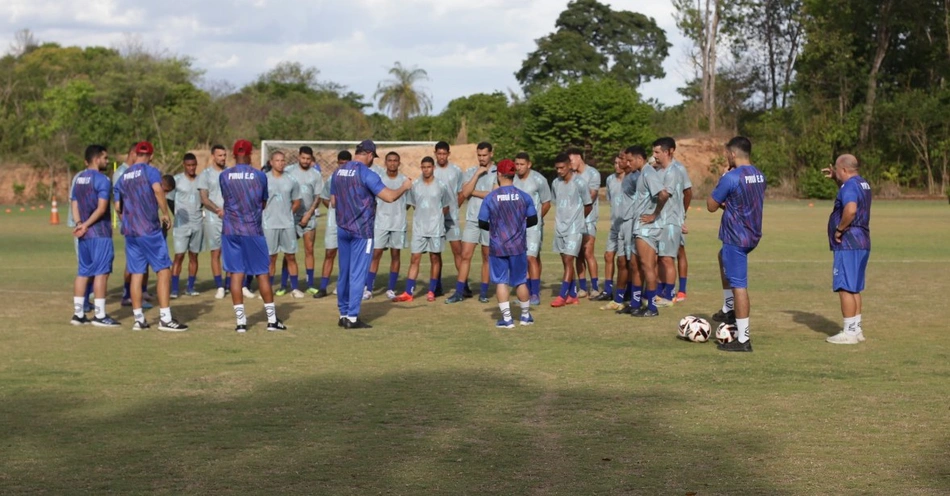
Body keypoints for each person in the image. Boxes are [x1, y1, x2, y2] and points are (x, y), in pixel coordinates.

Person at [331, 140, 411, 329]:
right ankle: (352, 317)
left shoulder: (338, 172)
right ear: (367, 154)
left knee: (344, 273)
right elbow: (389, 197)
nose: (372, 161)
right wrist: (405, 187)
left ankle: (343, 313)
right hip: (362, 231)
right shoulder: (367, 173)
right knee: (358, 274)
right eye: (372, 157)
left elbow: (333, 201)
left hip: (342, 228)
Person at [113, 141, 188, 331]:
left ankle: (139, 319)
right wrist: (165, 213)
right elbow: (157, 189)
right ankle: (165, 318)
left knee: (137, 273)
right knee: (163, 270)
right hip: (149, 230)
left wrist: (128, 221)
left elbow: (117, 207)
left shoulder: (123, 177)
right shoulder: (150, 171)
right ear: (151, 156)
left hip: (131, 232)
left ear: (135, 154)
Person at [707, 136, 766, 352]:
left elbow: (711, 205)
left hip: (736, 236)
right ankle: (728, 308)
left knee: (739, 284)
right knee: (722, 256)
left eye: (727, 154)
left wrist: (722, 177)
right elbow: (742, 204)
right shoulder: (760, 175)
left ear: (732, 154)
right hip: (752, 234)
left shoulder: (731, 177)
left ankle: (743, 340)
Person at [219, 140, 285, 332]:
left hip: (230, 231)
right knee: (262, 274)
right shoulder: (260, 176)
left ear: (233, 154)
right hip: (252, 230)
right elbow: (262, 203)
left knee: (236, 274)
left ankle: (241, 323)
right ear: (250, 155)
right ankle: (272, 321)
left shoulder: (224, 176)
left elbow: (227, 200)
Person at [478, 159, 538, 328]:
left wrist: (496, 228)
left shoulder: (490, 197)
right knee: (520, 281)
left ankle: (507, 319)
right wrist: (518, 227)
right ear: (513, 175)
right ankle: (525, 317)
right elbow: (533, 219)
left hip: (498, 246)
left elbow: (482, 223)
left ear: (498, 174)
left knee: (501, 282)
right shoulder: (524, 196)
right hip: (518, 246)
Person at [823, 154, 871, 344]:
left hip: (849, 242)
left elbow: (850, 209)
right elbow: (849, 196)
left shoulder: (850, 186)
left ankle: (849, 332)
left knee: (844, 287)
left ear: (843, 169)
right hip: (862, 242)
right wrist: (836, 179)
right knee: (854, 288)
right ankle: (856, 329)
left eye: (837, 169)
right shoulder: (861, 183)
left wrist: (839, 229)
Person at [70, 144, 120, 327]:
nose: (107, 161)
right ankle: (99, 316)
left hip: (83, 235)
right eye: (105, 158)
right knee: (101, 273)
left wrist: (79, 224)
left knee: (83, 272)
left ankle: (78, 314)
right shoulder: (103, 180)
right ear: (97, 158)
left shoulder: (79, 178)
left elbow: (74, 203)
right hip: (99, 234)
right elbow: (101, 209)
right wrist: (86, 225)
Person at [393, 156, 454, 302]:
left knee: (435, 257)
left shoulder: (441, 185)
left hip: (436, 229)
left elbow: (446, 206)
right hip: (419, 228)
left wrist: (436, 218)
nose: (426, 169)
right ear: (421, 168)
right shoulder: (414, 185)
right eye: (423, 167)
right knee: (415, 258)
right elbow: (414, 204)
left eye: (429, 167)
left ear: (433, 168)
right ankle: (408, 292)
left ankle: (431, 291)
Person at [446, 142, 496, 304]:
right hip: (472, 220)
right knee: (465, 255)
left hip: (490, 221)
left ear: (491, 154)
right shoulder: (470, 172)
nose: (481, 158)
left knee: (487, 257)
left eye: (484, 155)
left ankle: (483, 293)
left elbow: (493, 195)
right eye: (479, 155)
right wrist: (477, 175)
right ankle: (459, 292)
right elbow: (465, 193)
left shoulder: (498, 172)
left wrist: (473, 191)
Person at [630, 143, 676, 318]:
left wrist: (654, 214)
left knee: (648, 266)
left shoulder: (648, 172)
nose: (627, 163)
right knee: (639, 265)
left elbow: (663, 194)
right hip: (641, 226)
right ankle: (640, 304)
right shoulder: (643, 173)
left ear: (638, 159)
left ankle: (652, 307)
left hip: (647, 228)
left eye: (629, 160)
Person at [550, 153, 593, 307]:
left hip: (574, 228)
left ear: (569, 165)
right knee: (566, 263)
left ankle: (562, 296)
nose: (559, 171)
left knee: (569, 260)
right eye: (557, 168)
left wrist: (578, 220)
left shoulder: (580, 183)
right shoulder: (555, 183)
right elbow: (557, 202)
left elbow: (588, 205)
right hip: (560, 227)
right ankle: (573, 295)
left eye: (562, 167)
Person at [367, 151, 410, 300]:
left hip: (398, 224)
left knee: (395, 255)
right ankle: (369, 288)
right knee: (376, 254)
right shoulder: (379, 180)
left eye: (395, 161)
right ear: (385, 163)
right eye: (390, 160)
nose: (392, 163)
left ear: (399, 163)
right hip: (381, 223)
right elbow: (372, 202)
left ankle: (391, 289)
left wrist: (398, 214)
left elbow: (409, 203)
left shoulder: (405, 181)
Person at [512, 152, 552, 305]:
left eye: (522, 164)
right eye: (517, 164)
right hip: (516, 227)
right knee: (523, 259)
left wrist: (535, 219)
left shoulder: (539, 180)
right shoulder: (513, 179)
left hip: (533, 226)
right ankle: (526, 293)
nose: (519, 167)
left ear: (529, 164)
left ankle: (535, 294)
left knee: (531, 258)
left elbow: (546, 202)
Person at [115, 143, 152, 308]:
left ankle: (141, 291)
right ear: (133, 153)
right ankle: (126, 294)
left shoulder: (138, 171)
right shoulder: (122, 173)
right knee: (133, 262)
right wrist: (126, 222)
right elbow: (118, 204)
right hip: (132, 227)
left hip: (143, 226)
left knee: (143, 261)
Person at [264, 151, 305, 298]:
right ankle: (267, 288)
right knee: (271, 258)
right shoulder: (264, 179)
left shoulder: (291, 180)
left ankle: (294, 288)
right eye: (277, 160)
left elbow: (297, 201)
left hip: (287, 224)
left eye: (283, 161)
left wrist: (289, 212)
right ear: (271, 162)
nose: (280, 163)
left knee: (290, 256)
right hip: (269, 224)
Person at [612, 146, 647, 314]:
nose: (621, 161)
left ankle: (637, 300)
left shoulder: (637, 177)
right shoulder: (624, 177)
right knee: (623, 261)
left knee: (635, 263)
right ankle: (624, 298)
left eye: (625, 158)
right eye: (620, 158)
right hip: (622, 224)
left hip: (633, 223)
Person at [651, 137, 685, 307]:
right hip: (660, 222)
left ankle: (670, 294)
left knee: (667, 259)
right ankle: (659, 291)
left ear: (666, 152)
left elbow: (664, 195)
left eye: (657, 152)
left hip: (670, 222)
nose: (654, 155)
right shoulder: (659, 171)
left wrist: (654, 213)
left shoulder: (673, 171)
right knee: (659, 258)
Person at [285, 146, 323, 294]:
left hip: (309, 216)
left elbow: (317, 197)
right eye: (303, 158)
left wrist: (309, 214)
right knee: (289, 251)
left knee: (309, 250)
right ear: (298, 157)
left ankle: (310, 283)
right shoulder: (289, 171)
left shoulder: (316, 174)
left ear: (311, 159)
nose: (305, 161)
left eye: (308, 159)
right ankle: (284, 283)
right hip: (291, 217)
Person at [198, 144, 234, 299]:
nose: (223, 158)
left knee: (231, 252)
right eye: (220, 155)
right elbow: (204, 199)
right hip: (213, 218)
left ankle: (229, 284)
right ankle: (219, 286)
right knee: (216, 252)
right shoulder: (205, 175)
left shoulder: (230, 173)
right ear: (213, 156)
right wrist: (218, 210)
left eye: (224, 155)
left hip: (230, 218)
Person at [313, 150, 350, 298]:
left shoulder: (354, 179)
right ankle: (323, 287)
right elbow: (324, 197)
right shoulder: (332, 179)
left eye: (345, 164)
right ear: (337, 163)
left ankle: (343, 286)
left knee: (346, 255)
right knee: (330, 252)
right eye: (341, 163)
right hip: (333, 222)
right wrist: (335, 207)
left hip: (349, 222)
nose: (343, 166)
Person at [568, 147, 601, 299]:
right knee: (578, 254)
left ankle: (594, 287)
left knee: (588, 252)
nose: (569, 164)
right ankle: (582, 287)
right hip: (574, 220)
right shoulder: (571, 176)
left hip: (588, 218)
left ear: (579, 157)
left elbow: (591, 196)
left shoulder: (593, 173)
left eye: (571, 160)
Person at [432, 141, 464, 297]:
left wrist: (454, 208)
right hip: (435, 220)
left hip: (452, 218)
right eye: (439, 153)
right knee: (435, 253)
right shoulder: (430, 170)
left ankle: (463, 285)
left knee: (458, 251)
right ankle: (436, 285)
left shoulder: (456, 171)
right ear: (435, 153)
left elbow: (461, 193)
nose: (442, 156)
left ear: (448, 154)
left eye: (444, 153)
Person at [169, 153, 203, 298]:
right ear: (184, 165)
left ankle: (190, 287)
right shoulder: (176, 180)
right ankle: (175, 289)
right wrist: (176, 215)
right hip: (181, 225)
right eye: (188, 165)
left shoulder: (201, 180)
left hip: (197, 223)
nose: (191, 168)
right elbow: (169, 199)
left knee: (194, 256)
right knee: (179, 256)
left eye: (193, 165)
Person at [596, 154, 626, 303]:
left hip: (628, 226)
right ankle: (608, 290)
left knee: (624, 261)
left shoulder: (633, 179)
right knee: (608, 256)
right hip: (614, 225)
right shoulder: (610, 180)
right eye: (615, 163)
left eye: (620, 163)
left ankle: (626, 289)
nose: (617, 165)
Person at [668, 143, 693, 303]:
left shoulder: (679, 168)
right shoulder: (655, 166)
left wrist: (682, 214)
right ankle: (663, 288)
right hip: (659, 219)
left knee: (679, 251)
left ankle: (682, 290)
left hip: (675, 217)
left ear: (670, 151)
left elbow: (688, 192)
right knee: (660, 255)